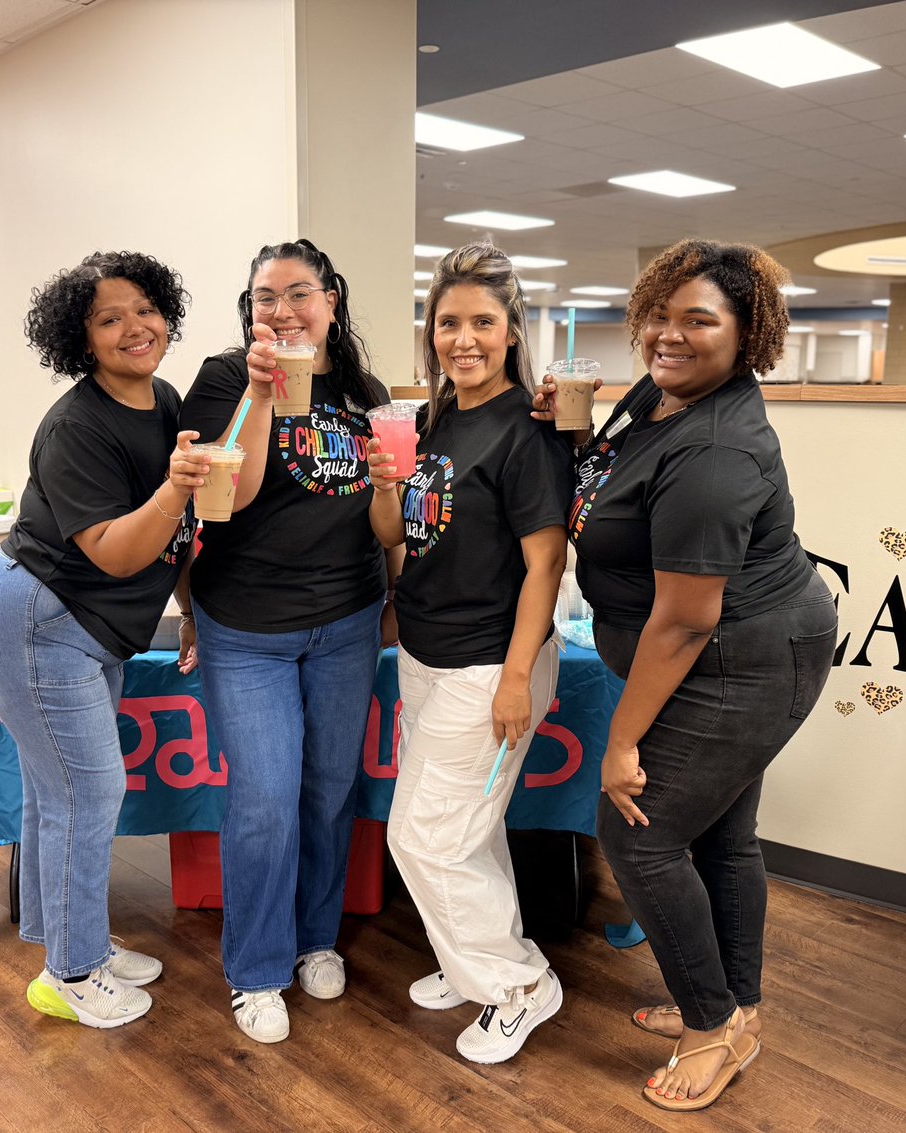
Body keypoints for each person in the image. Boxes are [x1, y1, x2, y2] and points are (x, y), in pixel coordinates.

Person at [564, 238, 837, 1110]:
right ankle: (739, 1006)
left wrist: (623, 739)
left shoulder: (718, 451)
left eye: (699, 321)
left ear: (748, 331)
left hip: (744, 659)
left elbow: (685, 620)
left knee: (637, 829)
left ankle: (712, 1026)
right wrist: (569, 423)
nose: (669, 336)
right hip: (729, 650)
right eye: (661, 314)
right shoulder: (661, 394)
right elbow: (609, 477)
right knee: (720, 833)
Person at [0, 251, 205, 1029]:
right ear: (81, 339)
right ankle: (68, 972)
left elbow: (177, 537)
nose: (135, 326)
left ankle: (76, 943)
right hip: (37, 619)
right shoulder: (76, 426)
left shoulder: (163, 399)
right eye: (109, 318)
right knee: (86, 791)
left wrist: (190, 609)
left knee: (55, 790)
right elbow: (118, 549)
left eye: (144, 308)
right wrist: (175, 487)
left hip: (85, 626)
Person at [180, 239, 398, 1044]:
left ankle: (314, 937)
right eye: (263, 298)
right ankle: (257, 967)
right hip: (248, 630)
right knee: (265, 801)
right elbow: (221, 502)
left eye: (297, 293)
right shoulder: (219, 379)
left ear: (331, 301)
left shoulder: (365, 392)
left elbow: (381, 510)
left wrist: (393, 597)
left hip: (346, 622)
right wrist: (262, 392)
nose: (280, 311)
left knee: (329, 789)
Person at [367, 242, 571, 1065]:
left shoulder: (529, 432)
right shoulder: (435, 418)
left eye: (483, 322)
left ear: (512, 331)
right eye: (448, 322)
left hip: (491, 664)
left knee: (423, 837)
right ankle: (471, 956)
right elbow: (398, 537)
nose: (464, 338)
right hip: (427, 655)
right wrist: (386, 483)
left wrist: (517, 677)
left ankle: (518, 984)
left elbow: (546, 564)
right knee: (467, 830)